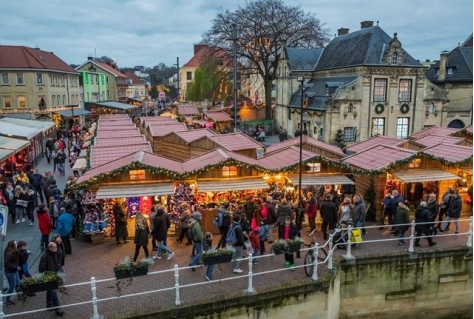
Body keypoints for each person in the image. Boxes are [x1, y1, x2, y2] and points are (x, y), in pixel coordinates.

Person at [39, 241, 64, 316]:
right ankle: (57, 309)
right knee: (53, 291)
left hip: (54, 273)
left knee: (50, 290)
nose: (56, 248)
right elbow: (41, 268)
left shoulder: (54, 254)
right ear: (50, 248)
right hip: (49, 275)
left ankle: (49, 304)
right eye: (54, 247)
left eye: (56, 247)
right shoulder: (45, 256)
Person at [3, 240, 23, 305]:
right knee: (12, 285)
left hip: (14, 270)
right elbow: (7, 264)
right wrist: (15, 267)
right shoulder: (9, 254)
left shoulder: (15, 251)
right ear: (12, 245)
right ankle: (7, 299)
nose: (17, 244)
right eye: (15, 243)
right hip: (10, 272)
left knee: (18, 283)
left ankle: (20, 295)